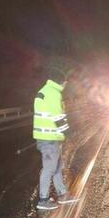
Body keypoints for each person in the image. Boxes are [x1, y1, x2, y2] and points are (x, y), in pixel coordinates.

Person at [33, 67, 79, 210]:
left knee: (57, 167)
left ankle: (62, 194)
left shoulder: (46, 91)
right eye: (65, 83)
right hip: (49, 138)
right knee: (49, 169)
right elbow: (58, 117)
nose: (65, 85)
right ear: (61, 82)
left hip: (49, 137)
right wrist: (68, 133)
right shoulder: (53, 93)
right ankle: (43, 199)